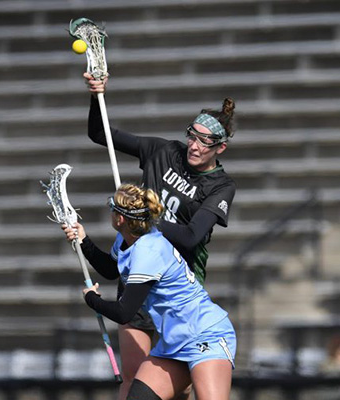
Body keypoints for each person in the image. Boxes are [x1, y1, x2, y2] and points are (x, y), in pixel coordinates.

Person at [84, 72, 237, 399]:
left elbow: (192, 236)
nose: (194, 146)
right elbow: (100, 134)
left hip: (176, 290)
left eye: (205, 142)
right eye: (192, 136)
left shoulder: (221, 187)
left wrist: (144, 219)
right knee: (134, 379)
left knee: (178, 387)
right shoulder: (163, 152)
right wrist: (97, 95)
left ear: (220, 147)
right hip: (140, 280)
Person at [64, 183, 236, 400]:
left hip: (204, 335)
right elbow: (110, 269)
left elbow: (124, 312)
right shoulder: (127, 240)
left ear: (120, 219)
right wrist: (83, 240)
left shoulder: (148, 251)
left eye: (112, 206)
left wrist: (92, 299)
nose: (110, 210)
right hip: (173, 344)